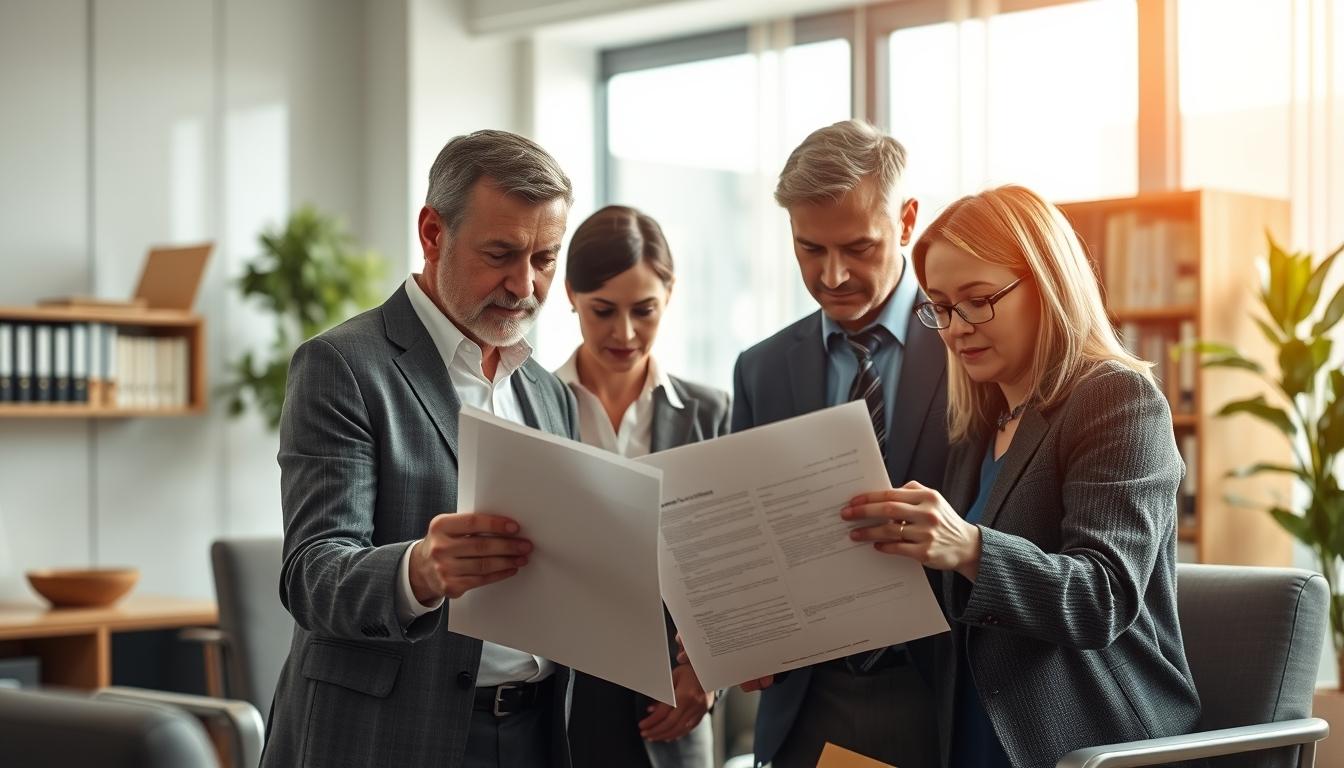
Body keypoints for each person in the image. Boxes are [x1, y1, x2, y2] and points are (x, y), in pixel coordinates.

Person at [841, 185, 1201, 767]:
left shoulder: (1118, 399)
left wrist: (970, 546)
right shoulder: (981, 422)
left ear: (1047, 285)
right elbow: (949, 601)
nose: (957, 327)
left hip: (1085, 738)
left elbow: (1102, 598)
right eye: (941, 306)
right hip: (975, 732)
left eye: (978, 300)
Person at [262, 129, 581, 768]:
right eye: (500, 254)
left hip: (534, 734)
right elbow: (313, 574)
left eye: (545, 259)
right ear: (433, 233)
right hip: (388, 736)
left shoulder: (549, 393)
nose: (526, 286)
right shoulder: (343, 366)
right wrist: (422, 569)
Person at [731, 119, 950, 768]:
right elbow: (747, 528)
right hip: (806, 703)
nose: (831, 276)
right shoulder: (761, 368)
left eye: (858, 247)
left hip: (938, 691)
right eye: (809, 249)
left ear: (907, 221)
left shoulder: (969, 346)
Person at [552, 204, 729, 768]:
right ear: (571, 296)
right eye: (603, 311)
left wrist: (710, 671)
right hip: (556, 702)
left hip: (671, 706)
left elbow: (730, 559)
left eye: (644, 310)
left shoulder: (711, 412)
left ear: (670, 296)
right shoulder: (529, 406)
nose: (624, 333)